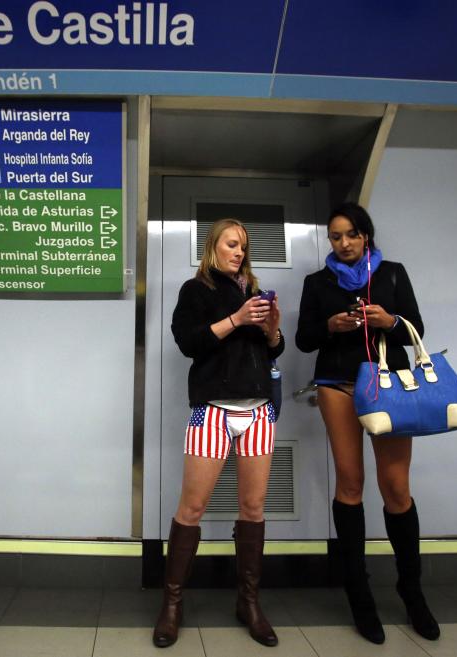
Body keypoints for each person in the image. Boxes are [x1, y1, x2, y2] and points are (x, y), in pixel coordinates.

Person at [295, 202, 439, 644]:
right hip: (337, 384)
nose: (344, 244)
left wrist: (389, 320)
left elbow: (416, 329)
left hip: (389, 384)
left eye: (351, 235)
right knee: (350, 485)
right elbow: (303, 340)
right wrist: (332, 325)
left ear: (366, 235)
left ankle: (411, 591)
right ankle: (360, 597)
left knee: (396, 489)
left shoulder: (392, 272)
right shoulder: (317, 282)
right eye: (336, 237)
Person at [153, 218, 284, 648]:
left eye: (244, 246)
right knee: (191, 507)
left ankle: (248, 602)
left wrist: (271, 328)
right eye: (232, 244)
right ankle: (172, 604)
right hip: (211, 410)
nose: (239, 252)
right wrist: (237, 317)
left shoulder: (252, 290)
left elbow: (272, 348)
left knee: (253, 506)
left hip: (258, 410)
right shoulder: (197, 291)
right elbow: (188, 341)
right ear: (214, 247)